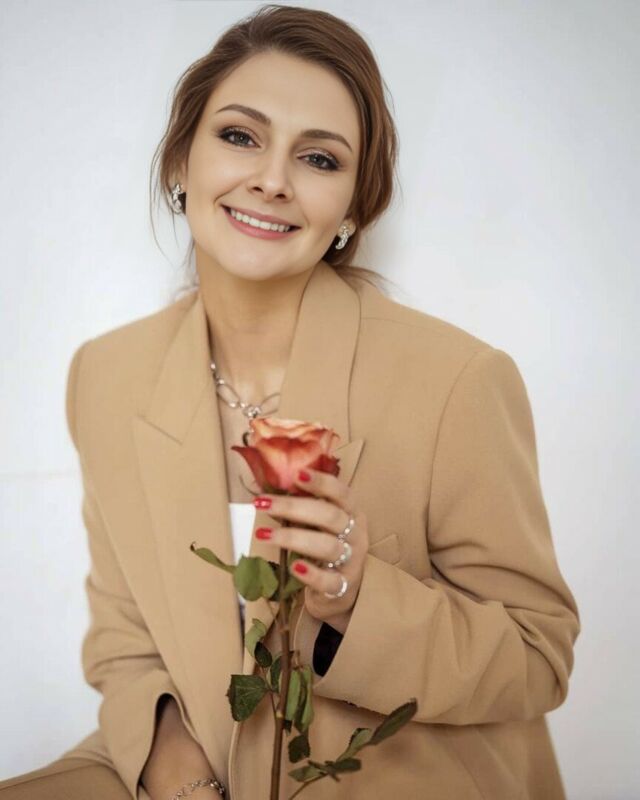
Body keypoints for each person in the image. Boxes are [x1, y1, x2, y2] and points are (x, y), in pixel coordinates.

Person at [0, 4, 581, 800]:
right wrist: (176, 771)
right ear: (180, 162)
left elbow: (539, 655)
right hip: (199, 761)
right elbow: (126, 638)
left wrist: (357, 598)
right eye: (240, 136)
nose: (272, 179)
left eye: (318, 157)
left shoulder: (459, 380)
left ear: (354, 209)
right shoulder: (107, 375)